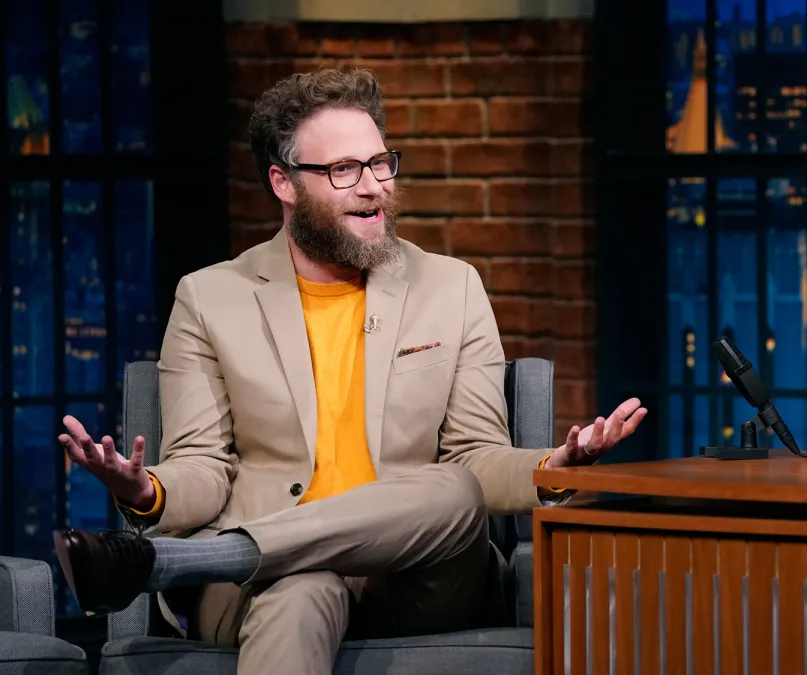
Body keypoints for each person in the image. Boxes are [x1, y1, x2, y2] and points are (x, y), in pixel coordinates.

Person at [51, 68, 647, 674]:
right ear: (283, 183)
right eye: (344, 170)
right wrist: (145, 490)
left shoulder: (451, 286)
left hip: (418, 578)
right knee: (299, 585)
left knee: (453, 487)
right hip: (270, 585)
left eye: (381, 163)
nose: (374, 187)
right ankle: (245, 558)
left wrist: (554, 467)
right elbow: (204, 465)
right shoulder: (211, 298)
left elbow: (477, 458)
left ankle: (186, 563)